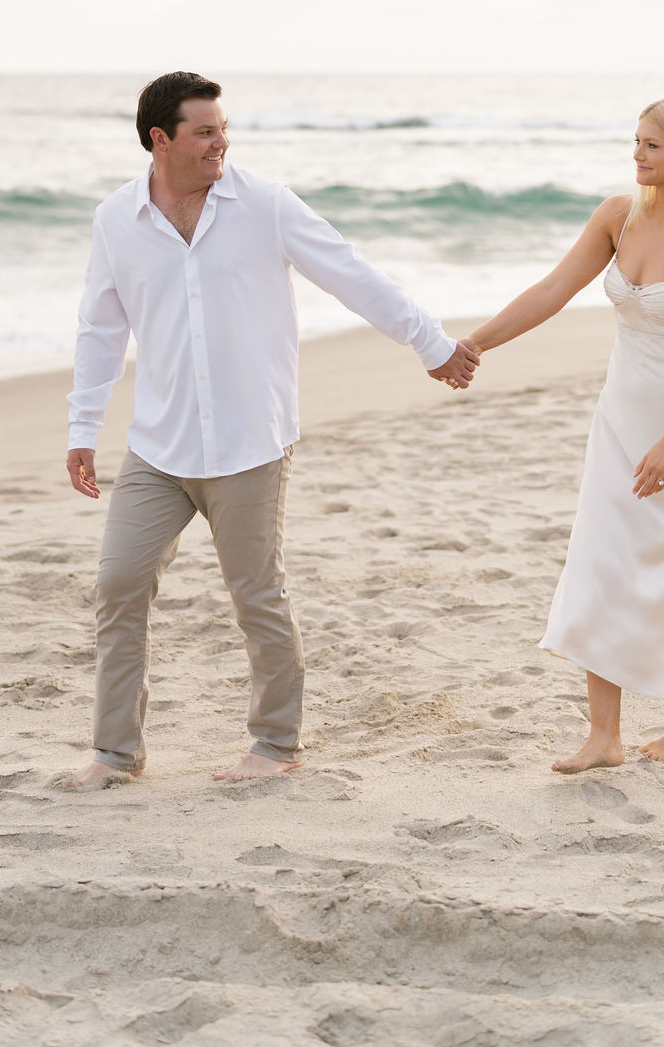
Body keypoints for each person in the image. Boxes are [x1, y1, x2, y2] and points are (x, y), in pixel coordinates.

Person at [56, 71, 479, 790]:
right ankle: (115, 752)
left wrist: (430, 344)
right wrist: (82, 427)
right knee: (119, 585)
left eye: (223, 128)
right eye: (206, 132)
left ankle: (276, 746)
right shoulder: (115, 221)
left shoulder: (266, 207)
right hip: (159, 447)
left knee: (257, 595)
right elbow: (100, 329)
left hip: (252, 441)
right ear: (160, 140)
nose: (223, 141)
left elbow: (353, 275)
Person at [466, 96, 664, 774]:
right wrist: (476, 344)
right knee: (602, 563)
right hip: (619, 425)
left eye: (653, 145)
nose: (637, 154)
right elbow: (552, 290)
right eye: (636, 140)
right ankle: (604, 736)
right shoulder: (615, 216)